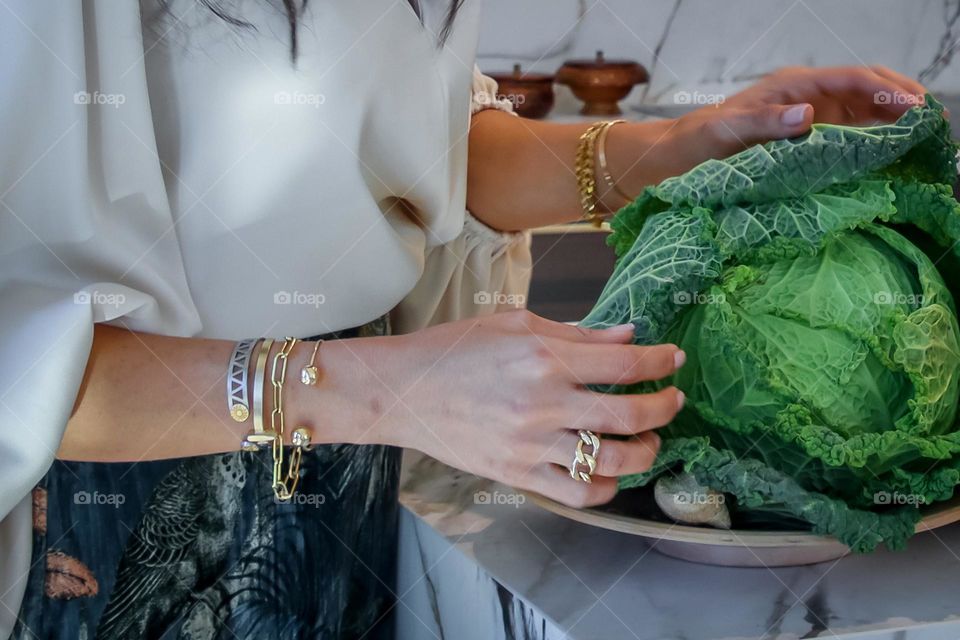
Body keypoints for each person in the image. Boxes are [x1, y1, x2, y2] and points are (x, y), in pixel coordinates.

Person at [0, 1, 930, 638]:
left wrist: (673, 147)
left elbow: (398, 162)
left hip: (342, 490)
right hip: (96, 530)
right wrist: (391, 386)